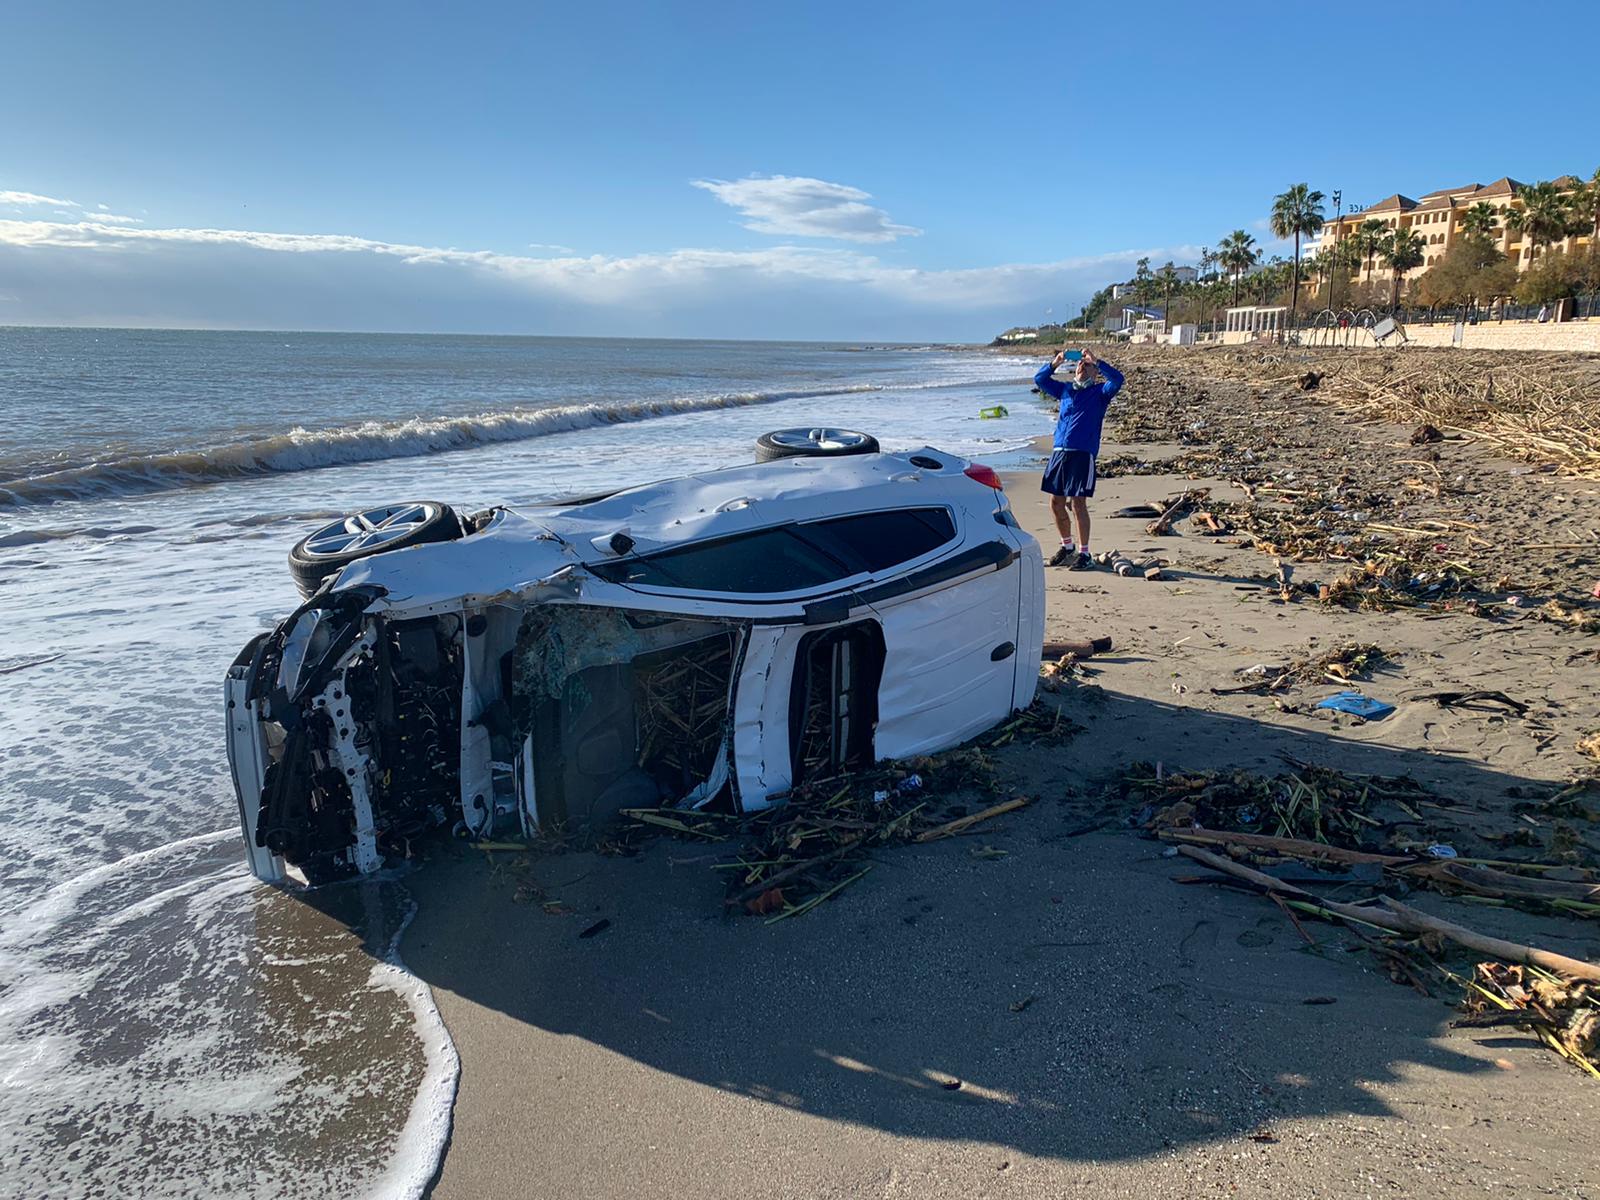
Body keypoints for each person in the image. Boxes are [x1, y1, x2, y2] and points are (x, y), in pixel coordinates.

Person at [1033, 347, 1124, 568]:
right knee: (1056, 502)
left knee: (1078, 503)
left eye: (1087, 365)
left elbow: (1118, 379)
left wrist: (1097, 361)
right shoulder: (1066, 390)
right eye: (1080, 365)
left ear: (1095, 373)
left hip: (1082, 453)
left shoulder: (1101, 392)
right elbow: (1040, 379)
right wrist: (1056, 362)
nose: (1082, 366)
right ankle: (1067, 547)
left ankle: (1084, 554)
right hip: (1059, 453)